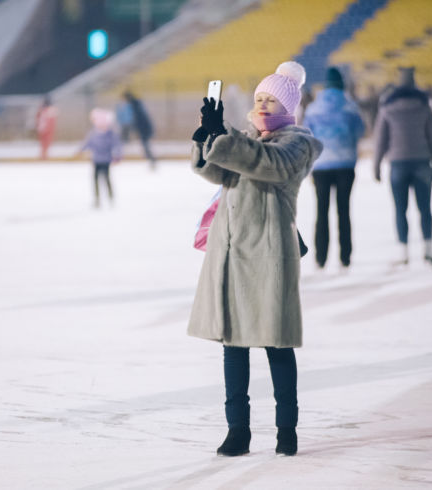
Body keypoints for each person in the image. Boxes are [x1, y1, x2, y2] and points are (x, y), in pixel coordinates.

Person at [188, 61, 322, 457]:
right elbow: (214, 171)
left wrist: (224, 136)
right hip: (231, 256)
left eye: (271, 100)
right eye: (259, 98)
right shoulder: (245, 139)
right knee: (233, 347)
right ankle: (237, 431)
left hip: (267, 255)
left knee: (275, 346)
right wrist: (207, 136)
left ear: (287, 107)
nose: (262, 106)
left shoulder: (297, 144)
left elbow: (267, 166)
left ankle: (286, 430)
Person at [373, 67, 432, 266]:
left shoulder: (387, 106)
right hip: (422, 161)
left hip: (398, 162)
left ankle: (403, 252)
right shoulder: (424, 105)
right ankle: (428, 249)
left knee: (400, 209)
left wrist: (376, 164)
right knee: (425, 208)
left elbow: (381, 139)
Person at [303, 67, 365, 269]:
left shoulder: (313, 108)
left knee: (321, 211)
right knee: (344, 210)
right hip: (346, 164)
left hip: (320, 164)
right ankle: (345, 258)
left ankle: (321, 258)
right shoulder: (350, 106)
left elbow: (306, 135)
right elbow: (360, 130)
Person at [77, 108, 122, 208]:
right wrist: (81, 150)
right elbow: (88, 143)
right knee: (95, 179)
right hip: (96, 160)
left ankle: (110, 196)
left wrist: (117, 155)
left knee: (106, 178)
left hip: (106, 160)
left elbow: (116, 145)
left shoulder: (110, 134)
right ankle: (97, 198)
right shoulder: (93, 133)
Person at [122, 91, 156, 169]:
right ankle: (151, 160)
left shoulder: (134, 106)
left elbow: (137, 119)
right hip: (143, 128)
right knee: (145, 145)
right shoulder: (136, 105)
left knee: (146, 145)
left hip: (144, 128)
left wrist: (135, 128)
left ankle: (152, 160)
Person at [36, 96, 58, 160]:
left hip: (43, 128)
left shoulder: (44, 110)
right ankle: (44, 155)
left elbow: (38, 117)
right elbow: (51, 120)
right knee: (45, 142)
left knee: (45, 142)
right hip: (45, 128)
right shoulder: (48, 110)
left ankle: (44, 155)